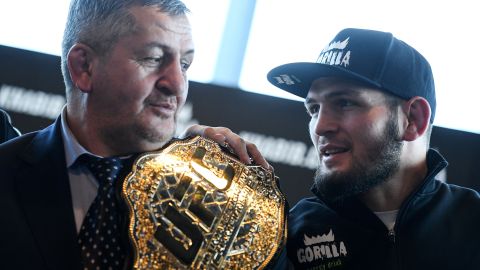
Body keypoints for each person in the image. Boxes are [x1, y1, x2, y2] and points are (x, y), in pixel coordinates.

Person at [0, 1, 269, 269]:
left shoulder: (218, 199)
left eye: (185, 64)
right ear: (84, 67)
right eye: (153, 59)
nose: (177, 84)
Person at [267, 28, 480, 269]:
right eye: (314, 109)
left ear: (413, 119)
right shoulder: (285, 237)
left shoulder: (472, 223)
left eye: (345, 103)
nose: (320, 127)